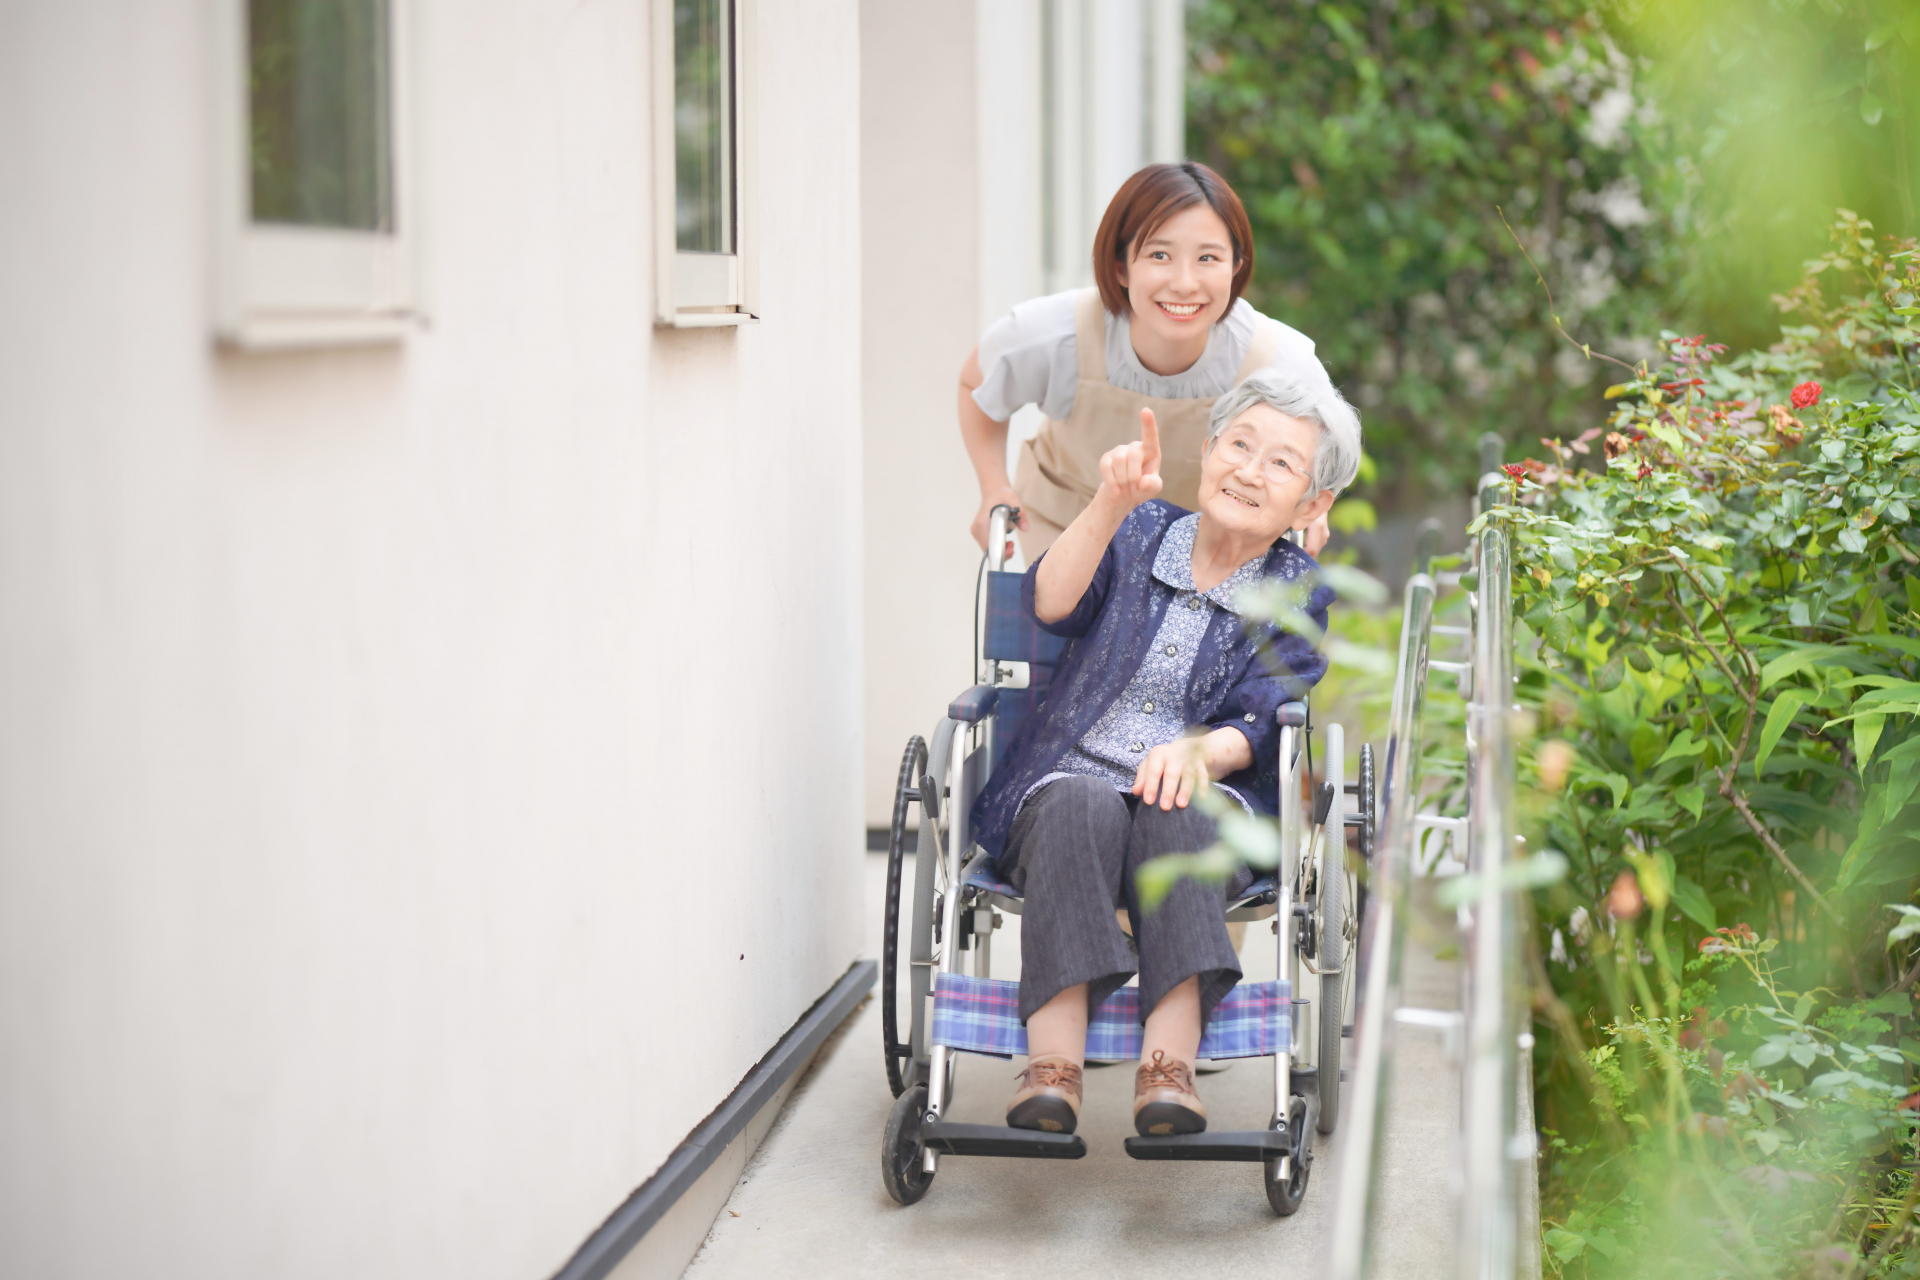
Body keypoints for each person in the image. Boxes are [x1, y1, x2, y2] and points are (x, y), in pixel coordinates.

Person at [967, 369, 1360, 1137]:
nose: (1249, 468)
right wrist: (1110, 503)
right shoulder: (1141, 529)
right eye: (1239, 444)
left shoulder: (1296, 589)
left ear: (1313, 504)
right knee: (1077, 800)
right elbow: (1050, 604)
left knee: (1180, 811)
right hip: (1064, 789)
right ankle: (1053, 1068)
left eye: (1281, 463)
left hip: (1199, 800)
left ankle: (1168, 1069)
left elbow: (1264, 716)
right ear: (1208, 451)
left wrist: (1199, 754)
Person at [959, 161, 1340, 560]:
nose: (1184, 283)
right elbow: (976, 384)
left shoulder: (1276, 358)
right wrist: (993, 489)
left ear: (1236, 267)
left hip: (1205, 553)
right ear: (1121, 266)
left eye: (1208, 258)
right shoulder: (1056, 333)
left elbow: (1330, 445)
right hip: (1066, 532)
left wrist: (1309, 507)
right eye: (1160, 255)